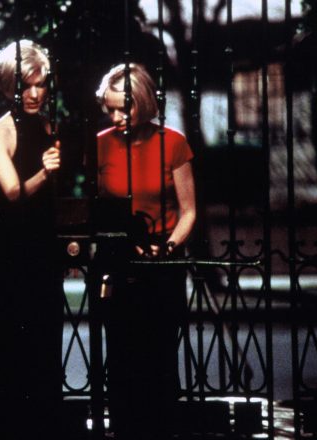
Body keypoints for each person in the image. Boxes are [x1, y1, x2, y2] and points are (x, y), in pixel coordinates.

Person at [95, 63, 196, 440]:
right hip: (118, 260)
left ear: (142, 102)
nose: (116, 117)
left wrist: (167, 247)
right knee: (121, 359)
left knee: (159, 358)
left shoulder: (174, 143)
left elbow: (189, 211)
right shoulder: (100, 144)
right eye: (109, 109)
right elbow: (97, 209)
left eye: (123, 108)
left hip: (162, 262)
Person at [0, 40, 63, 440]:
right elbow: (12, 193)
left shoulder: (48, 127)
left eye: (40, 84)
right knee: (10, 342)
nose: (33, 93)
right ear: (6, 86)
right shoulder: (0, 131)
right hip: (12, 249)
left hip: (44, 244)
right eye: (24, 86)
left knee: (45, 339)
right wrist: (45, 173)